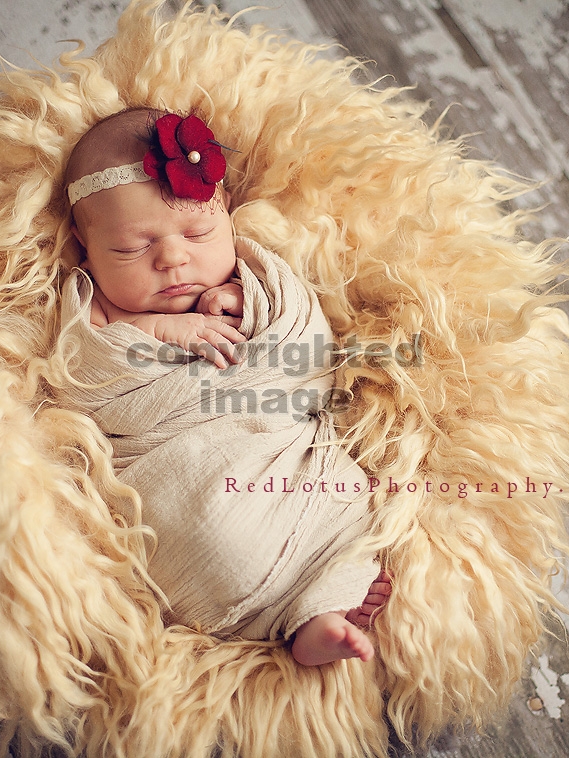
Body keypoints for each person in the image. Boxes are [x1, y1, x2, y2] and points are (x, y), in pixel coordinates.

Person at [60, 107, 390, 666]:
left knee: (355, 503)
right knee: (213, 529)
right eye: (130, 249)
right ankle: (290, 612)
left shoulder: (254, 280)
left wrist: (250, 304)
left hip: (281, 448)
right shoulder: (97, 313)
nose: (172, 258)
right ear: (84, 245)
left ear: (228, 217)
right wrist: (160, 329)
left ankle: (318, 615)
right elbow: (81, 375)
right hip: (190, 480)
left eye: (197, 232)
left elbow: (307, 345)